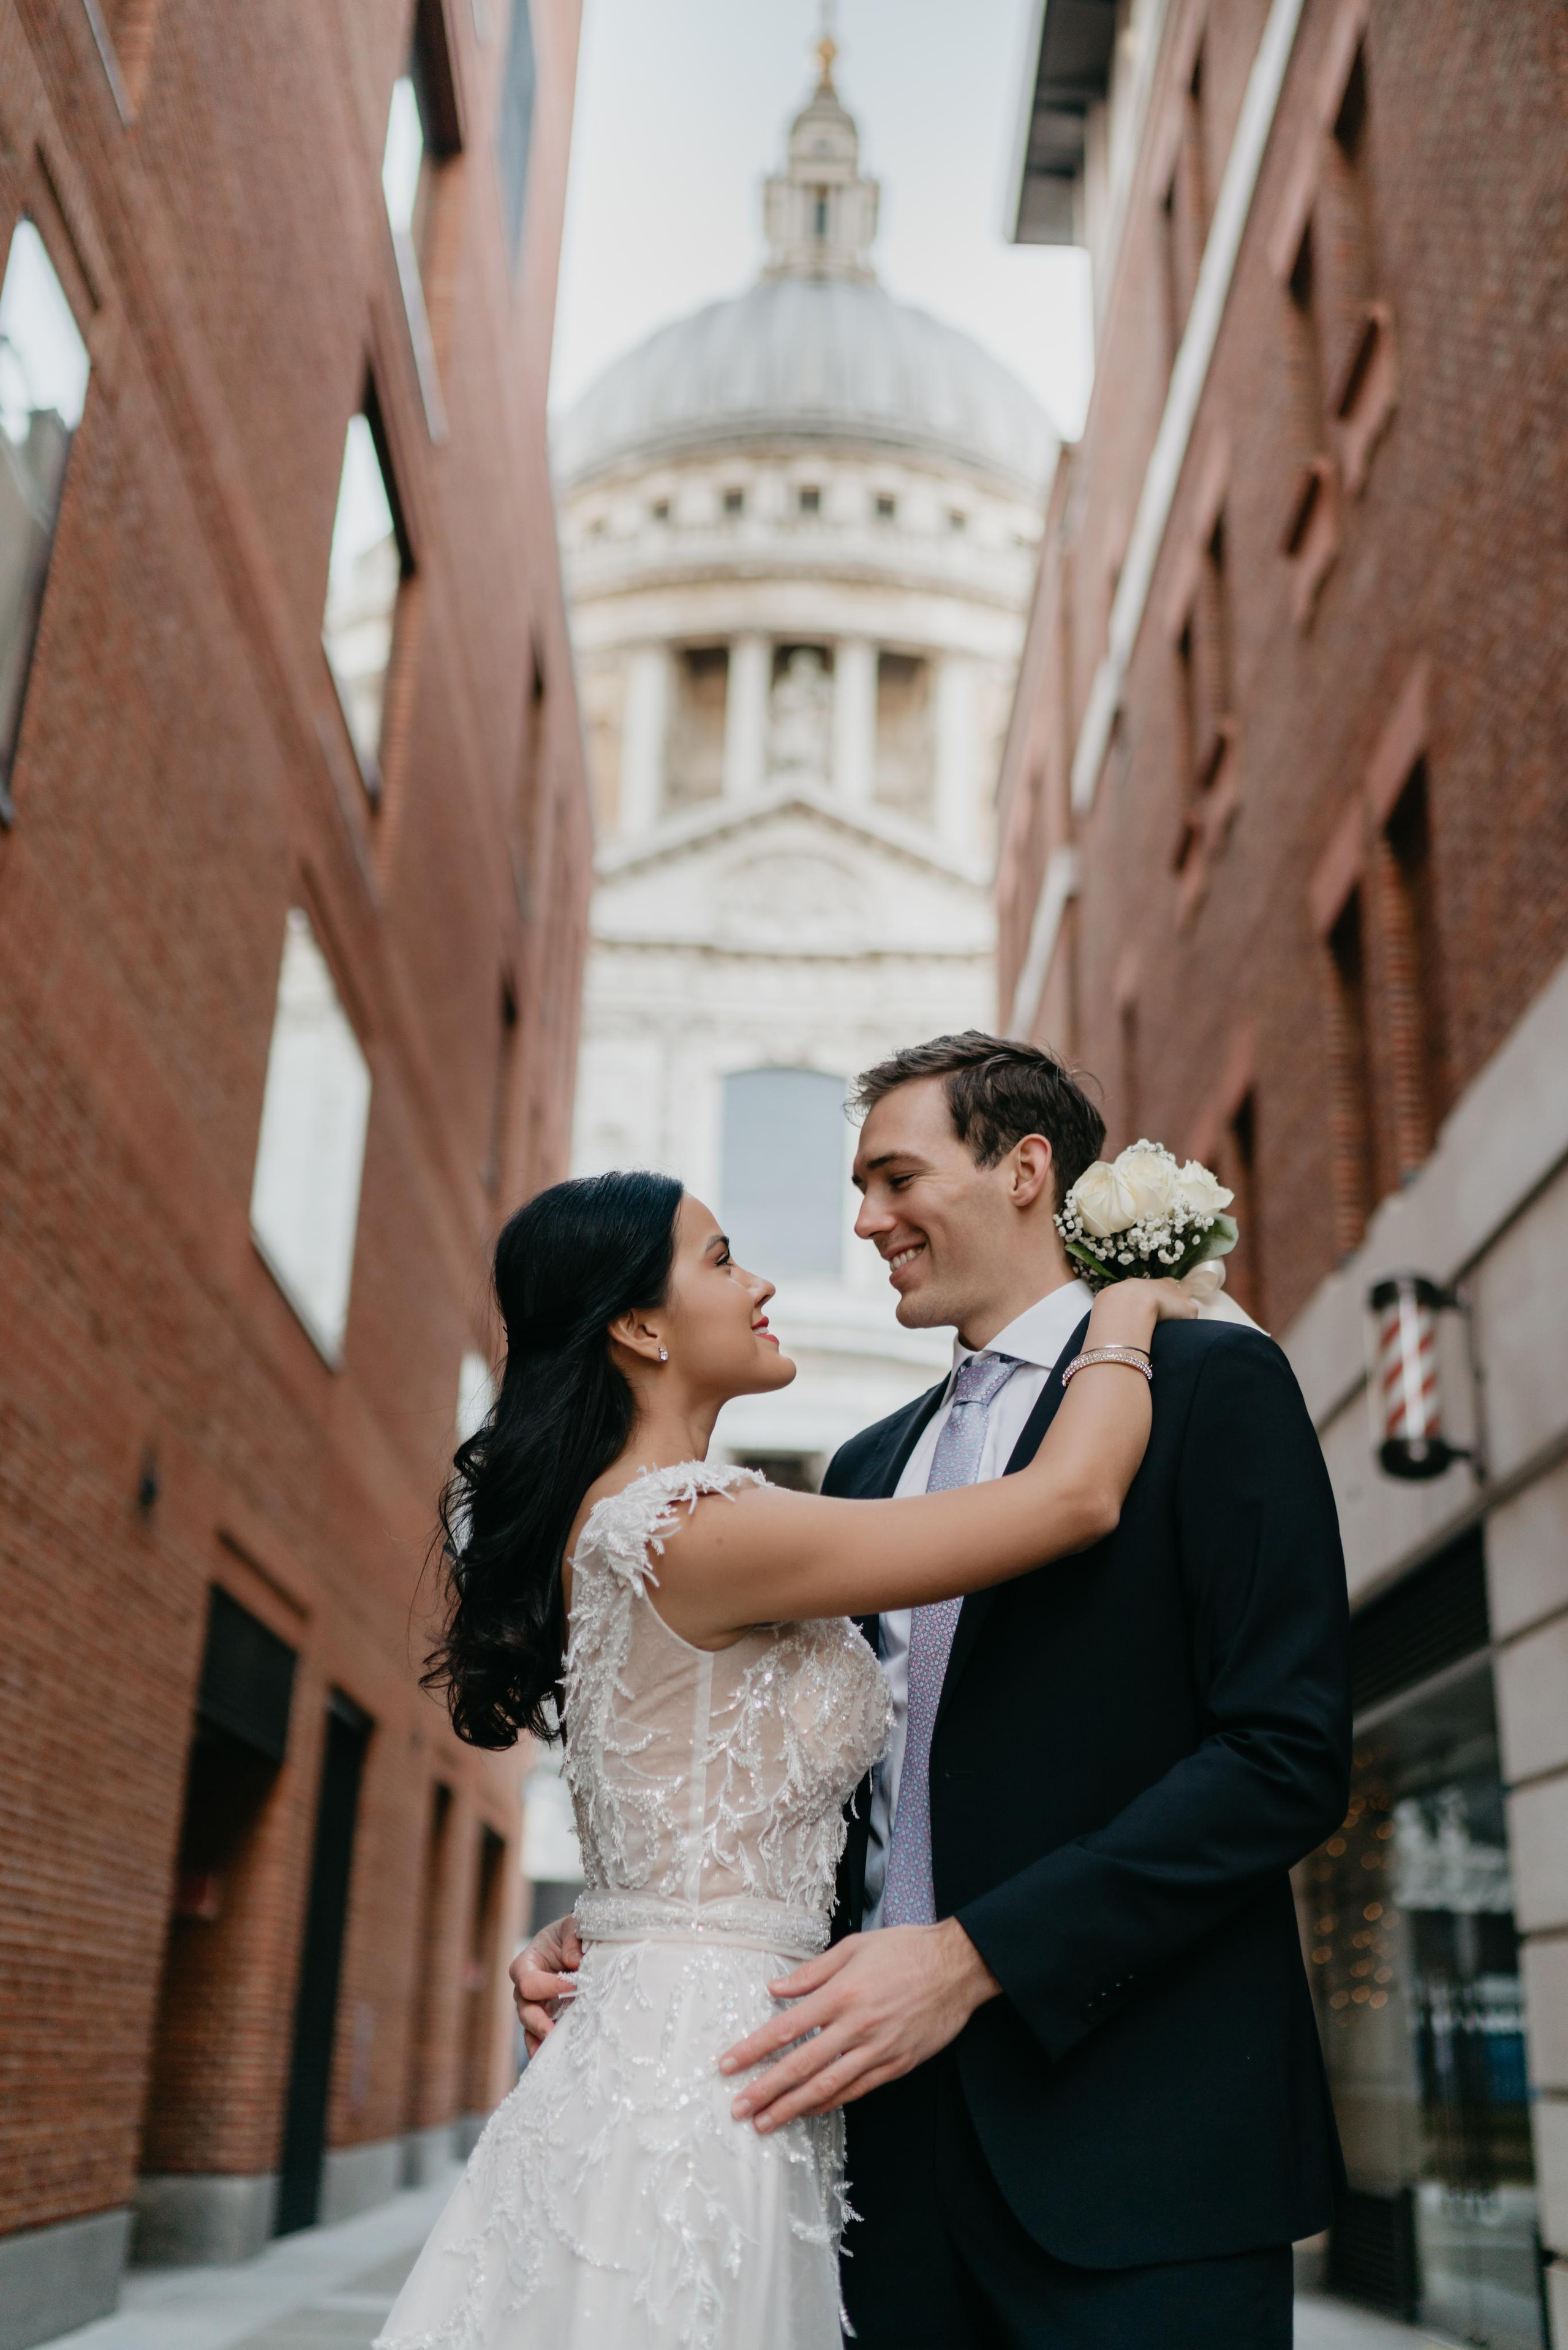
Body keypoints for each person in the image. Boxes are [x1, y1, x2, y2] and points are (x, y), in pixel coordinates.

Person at [516, 1034, 1352, 2350]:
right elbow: (797, 1770)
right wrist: (625, 1924)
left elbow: (1282, 1756)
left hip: (1139, 2159)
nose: (863, 1221)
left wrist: (972, 1959)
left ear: (1025, 1168)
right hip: (866, 2151)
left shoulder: (1209, 1386)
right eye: (856, 1184)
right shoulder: (859, 1464)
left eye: (895, 1176)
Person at [376, 1161, 1190, 2350]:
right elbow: (1069, 1500)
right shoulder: (692, 1525)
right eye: (717, 1259)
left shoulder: (629, 1519)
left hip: (691, 2039)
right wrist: (1120, 1311)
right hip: (703, 2089)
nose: (759, 1282)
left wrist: (606, 1917)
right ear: (639, 1325)